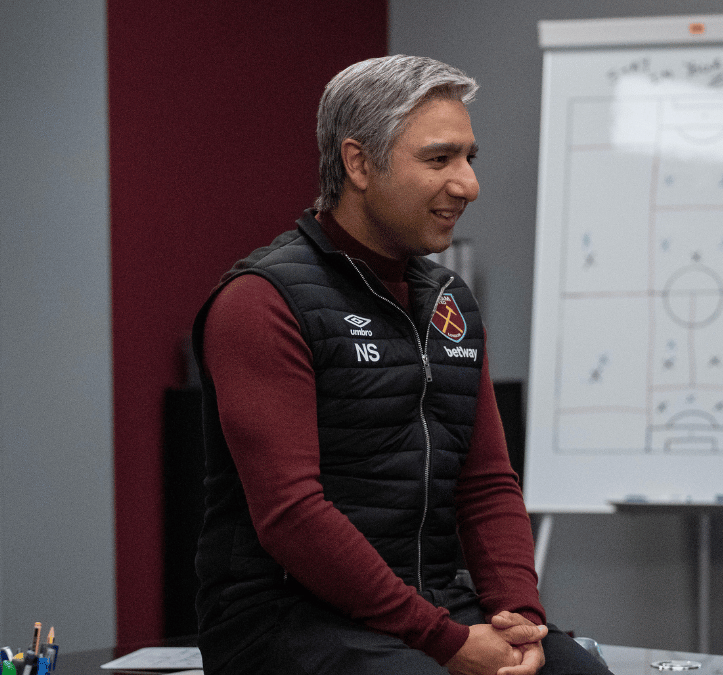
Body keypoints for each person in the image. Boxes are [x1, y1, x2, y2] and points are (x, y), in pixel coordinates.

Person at [191, 55, 610, 675]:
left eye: (470, 158)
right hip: (284, 620)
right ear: (359, 163)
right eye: (439, 160)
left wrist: (518, 619)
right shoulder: (261, 301)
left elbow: (486, 484)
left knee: (578, 672)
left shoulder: (450, 301)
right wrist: (446, 643)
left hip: (431, 603)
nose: (467, 184)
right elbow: (293, 517)